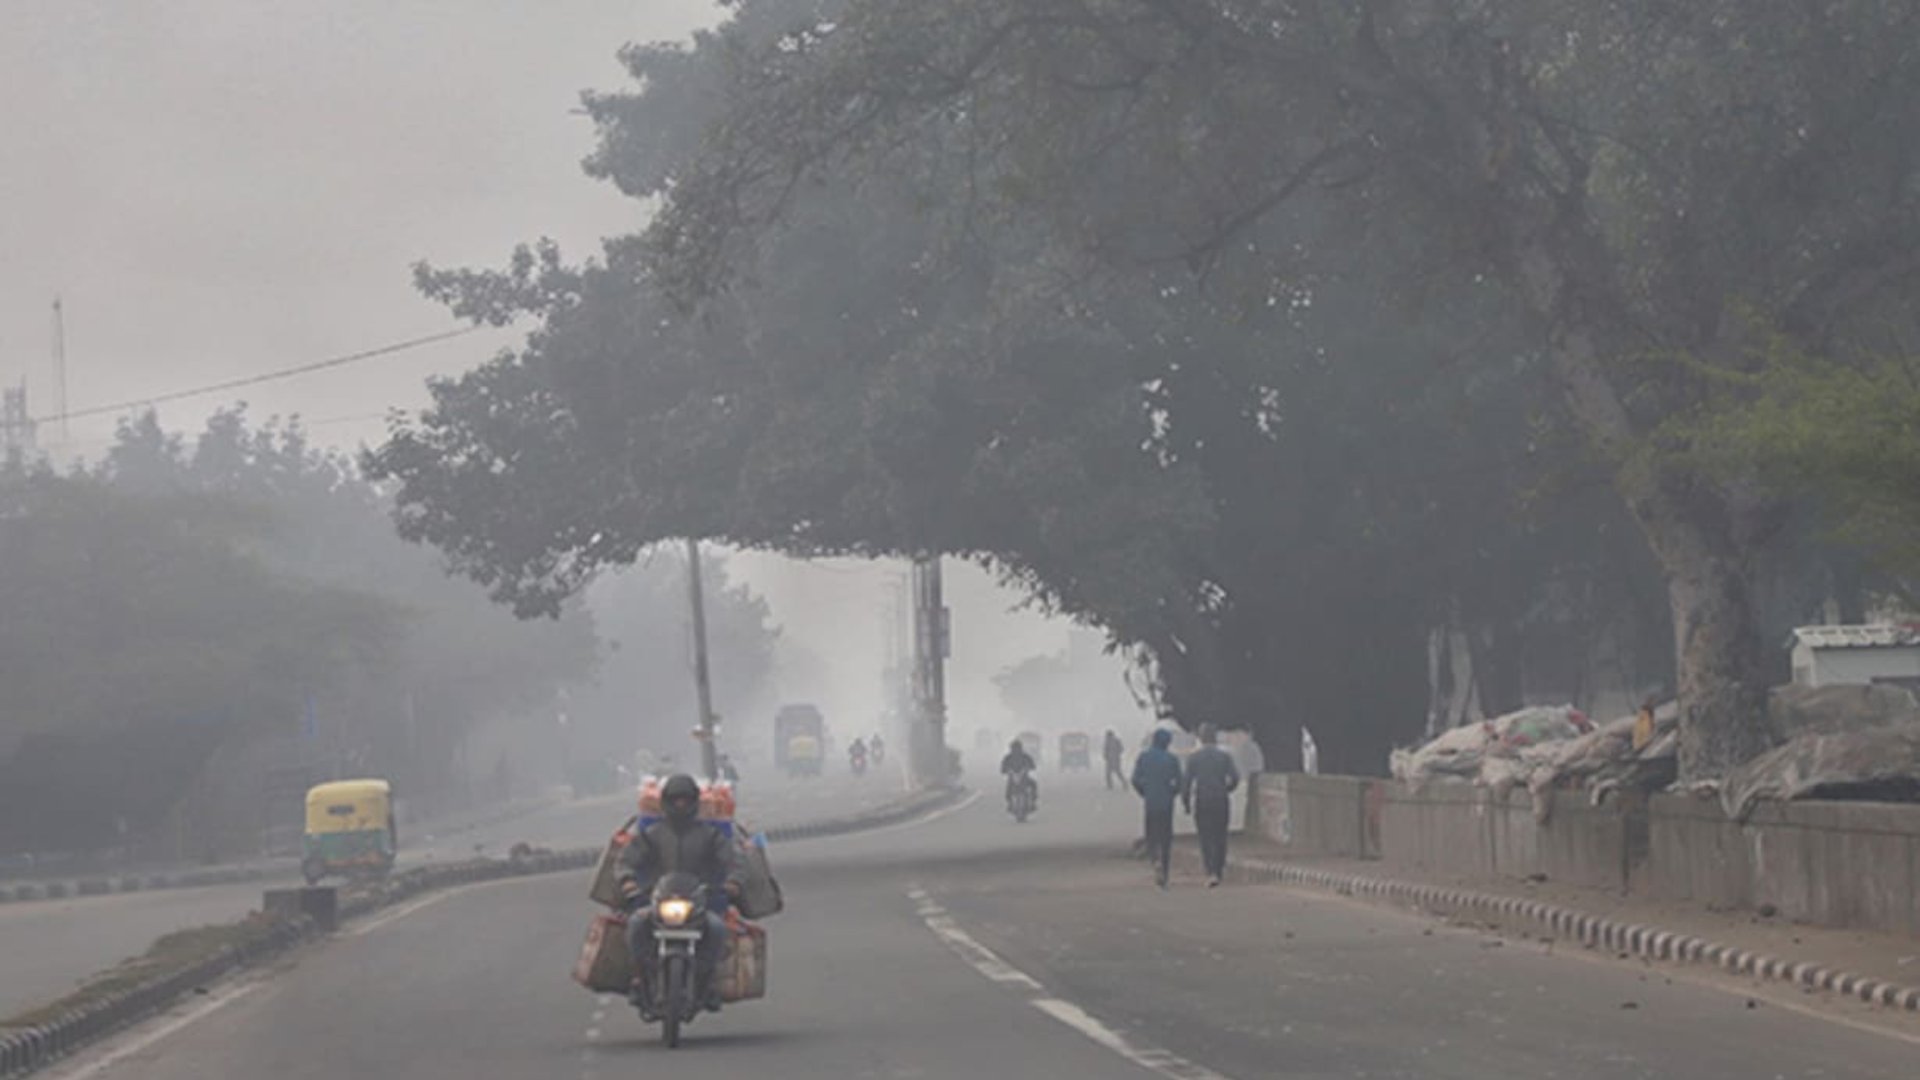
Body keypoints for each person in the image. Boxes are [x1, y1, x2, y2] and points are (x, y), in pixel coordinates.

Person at [616, 774, 742, 1013]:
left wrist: (733, 882)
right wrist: (628, 882)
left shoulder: (709, 835)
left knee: (717, 929)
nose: (680, 806)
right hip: (657, 900)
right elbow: (626, 860)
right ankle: (640, 977)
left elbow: (733, 860)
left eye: (685, 800)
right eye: (675, 801)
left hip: (699, 902)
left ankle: (709, 980)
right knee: (635, 925)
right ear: (666, 802)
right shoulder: (652, 834)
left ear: (695, 802)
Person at [1183, 724, 1241, 887]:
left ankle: (1210, 871)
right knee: (1220, 836)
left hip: (1202, 800)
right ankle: (1219, 869)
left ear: (1201, 738)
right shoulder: (1224, 757)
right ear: (1215, 738)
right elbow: (1235, 778)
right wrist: (1226, 789)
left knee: (1205, 837)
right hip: (1220, 799)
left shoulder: (1194, 758)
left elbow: (1186, 783)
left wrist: (1186, 803)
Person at [1131, 728, 1183, 888]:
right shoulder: (1172, 759)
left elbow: (1135, 779)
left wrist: (1144, 791)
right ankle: (1165, 873)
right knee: (1166, 838)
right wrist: (1172, 792)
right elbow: (1180, 782)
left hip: (1151, 803)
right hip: (1166, 804)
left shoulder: (1144, 758)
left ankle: (1155, 860)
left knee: (1152, 836)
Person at [1000, 738, 1038, 808]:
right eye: (1014, 748)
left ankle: (1033, 801)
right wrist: (1006, 771)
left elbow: (1032, 765)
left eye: (1017, 748)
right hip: (1013, 777)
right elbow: (1003, 768)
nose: (1016, 750)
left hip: (1024, 777)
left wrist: (1028, 768)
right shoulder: (1008, 758)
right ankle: (1010, 803)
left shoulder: (1025, 756)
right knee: (1008, 790)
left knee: (1033, 785)